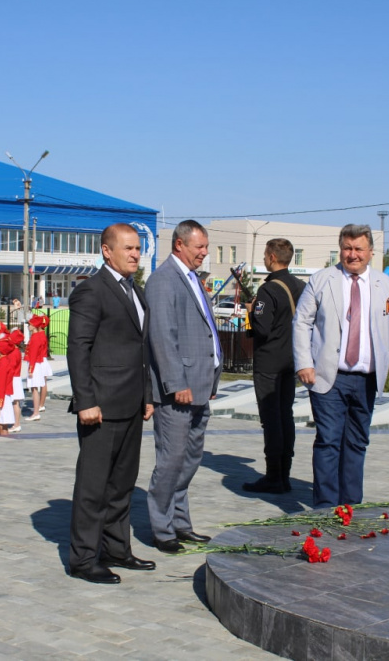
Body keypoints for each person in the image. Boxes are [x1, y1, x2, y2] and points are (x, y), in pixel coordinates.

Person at [292, 224, 389, 509]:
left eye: (358, 249)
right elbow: (301, 322)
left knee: (357, 442)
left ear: (370, 252)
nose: (352, 255)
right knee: (328, 440)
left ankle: (351, 506)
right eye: (347, 248)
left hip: (367, 379)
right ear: (340, 250)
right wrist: (304, 362)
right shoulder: (322, 280)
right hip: (328, 377)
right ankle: (325, 507)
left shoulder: (386, 285)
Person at [67, 223, 155, 584]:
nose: (135, 254)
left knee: (122, 483)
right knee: (94, 486)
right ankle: (84, 559)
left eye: (137, 248)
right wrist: (85, 400)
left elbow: (140, 349)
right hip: (100, 407)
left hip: (131, 404)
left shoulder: (136, 291)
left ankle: (117, 549)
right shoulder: (91, 291)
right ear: (107, 251)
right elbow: (78, 348)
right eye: (128, 248)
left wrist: (147, 395)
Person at [145, 219, 222, 554]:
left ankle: (180, 523)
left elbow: (204, 331)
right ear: (179, 244)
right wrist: (177, 382)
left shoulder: (191, 278)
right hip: (178, 391)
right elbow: (163, 336)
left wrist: (211, 377)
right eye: (199, 247)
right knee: (171, 460)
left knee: (190, 459)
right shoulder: (163, 280)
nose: (204, 253)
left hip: (200, 387)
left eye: (206, 247)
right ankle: (162, 530)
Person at [242, 238, 306, 494]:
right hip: (291, 360)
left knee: (271, 420)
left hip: (269, 362)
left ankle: (273, 477)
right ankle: (284, 474)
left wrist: (250, 312)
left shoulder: (268, 290)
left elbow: (262, 328)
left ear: (271, 257)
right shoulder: (300, 286)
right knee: (285, 417)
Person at [25, 315, 51, 420]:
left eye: (30, 324)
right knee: (37, 386)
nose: (29, 326)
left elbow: (33, 354)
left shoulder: (36, 337)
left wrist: (31, 369)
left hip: (36, 363)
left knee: (35, 387)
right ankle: (38, 408)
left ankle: (36, 411)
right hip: (38, 362)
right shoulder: (38, 335)